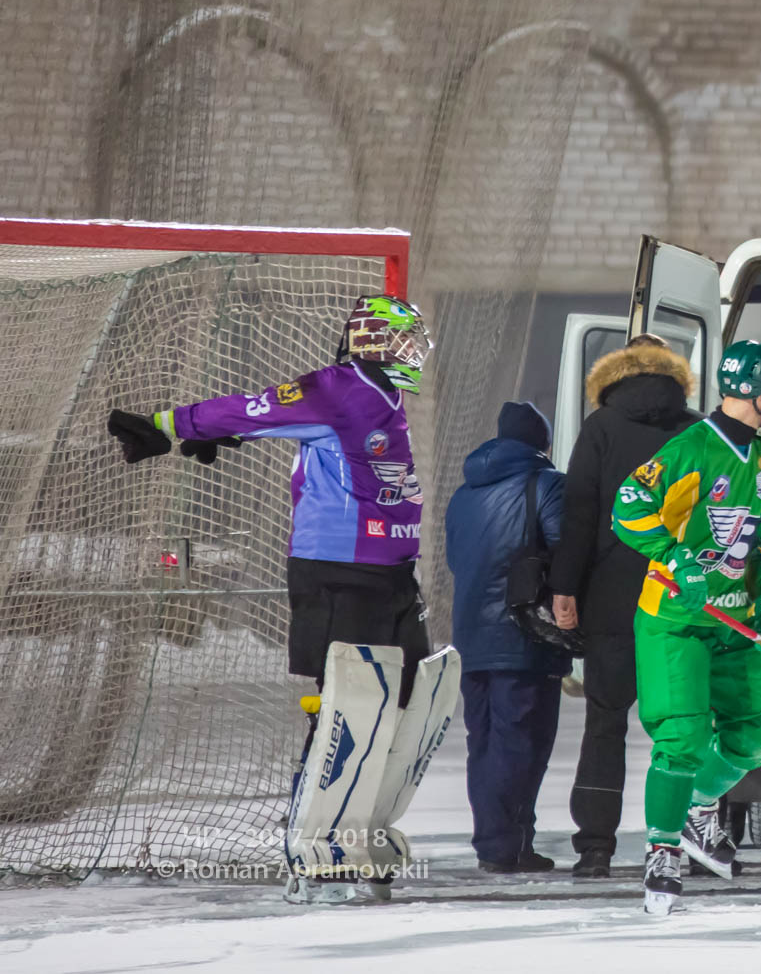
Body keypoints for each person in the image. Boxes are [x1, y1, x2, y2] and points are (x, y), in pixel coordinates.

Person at [107, 294, 449, 903]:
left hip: (392, 573)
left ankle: (360, 828)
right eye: (402, 340)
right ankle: (314, 847)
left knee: (403, 703)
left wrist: (234, 434)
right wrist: (170, 425)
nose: (411, 352)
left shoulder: (386, 397)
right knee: (347, 707)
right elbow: (252, 406)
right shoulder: (338, 386)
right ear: (372, 340)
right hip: (339, 571)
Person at [611, 339, 761, 915]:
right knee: (683, 741)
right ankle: (662, 850)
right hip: (676, 621)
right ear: (751, 390)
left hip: (734, 620)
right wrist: (675, 556)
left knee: (756, 739)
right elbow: (627, 505)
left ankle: (695, 808)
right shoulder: (691, 448)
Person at [548, 334, 700, 879]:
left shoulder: (601, 427)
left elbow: (579, 513)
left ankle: (595, 848)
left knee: (605, 725)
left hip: (612, 599)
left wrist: (564, 589)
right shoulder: (697, 430)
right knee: (685, 727)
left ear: (614, 374)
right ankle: (690, 844)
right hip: (681, 599)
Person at [445, 401, 570, 874]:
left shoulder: (464, 493)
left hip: (472, 634)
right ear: (542, 442)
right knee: (523, 742)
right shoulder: (547, 483)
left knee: (484, 741)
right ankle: (505, 846)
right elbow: (563, 551)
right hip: (525, 634)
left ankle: (499, 842)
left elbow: (455, 560)